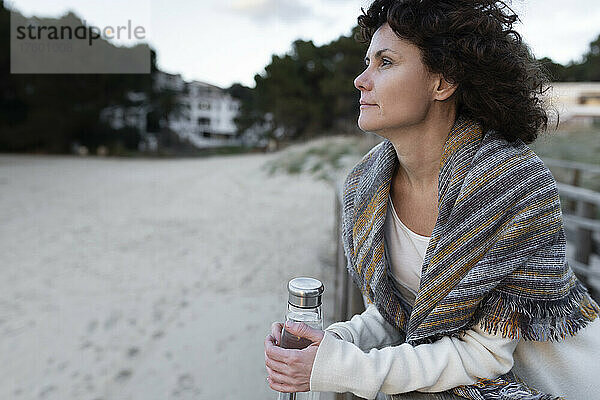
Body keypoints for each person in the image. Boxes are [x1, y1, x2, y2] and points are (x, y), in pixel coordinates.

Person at [264, 0, 600, 399]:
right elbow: (400, 316)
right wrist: (331, 340)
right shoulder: (364, 188)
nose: (360, 79)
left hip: (557, 386)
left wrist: (342, 366)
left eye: (385, 62)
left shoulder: (509, 183)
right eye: (367, 61)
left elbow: (483, 358)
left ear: (442, 82)